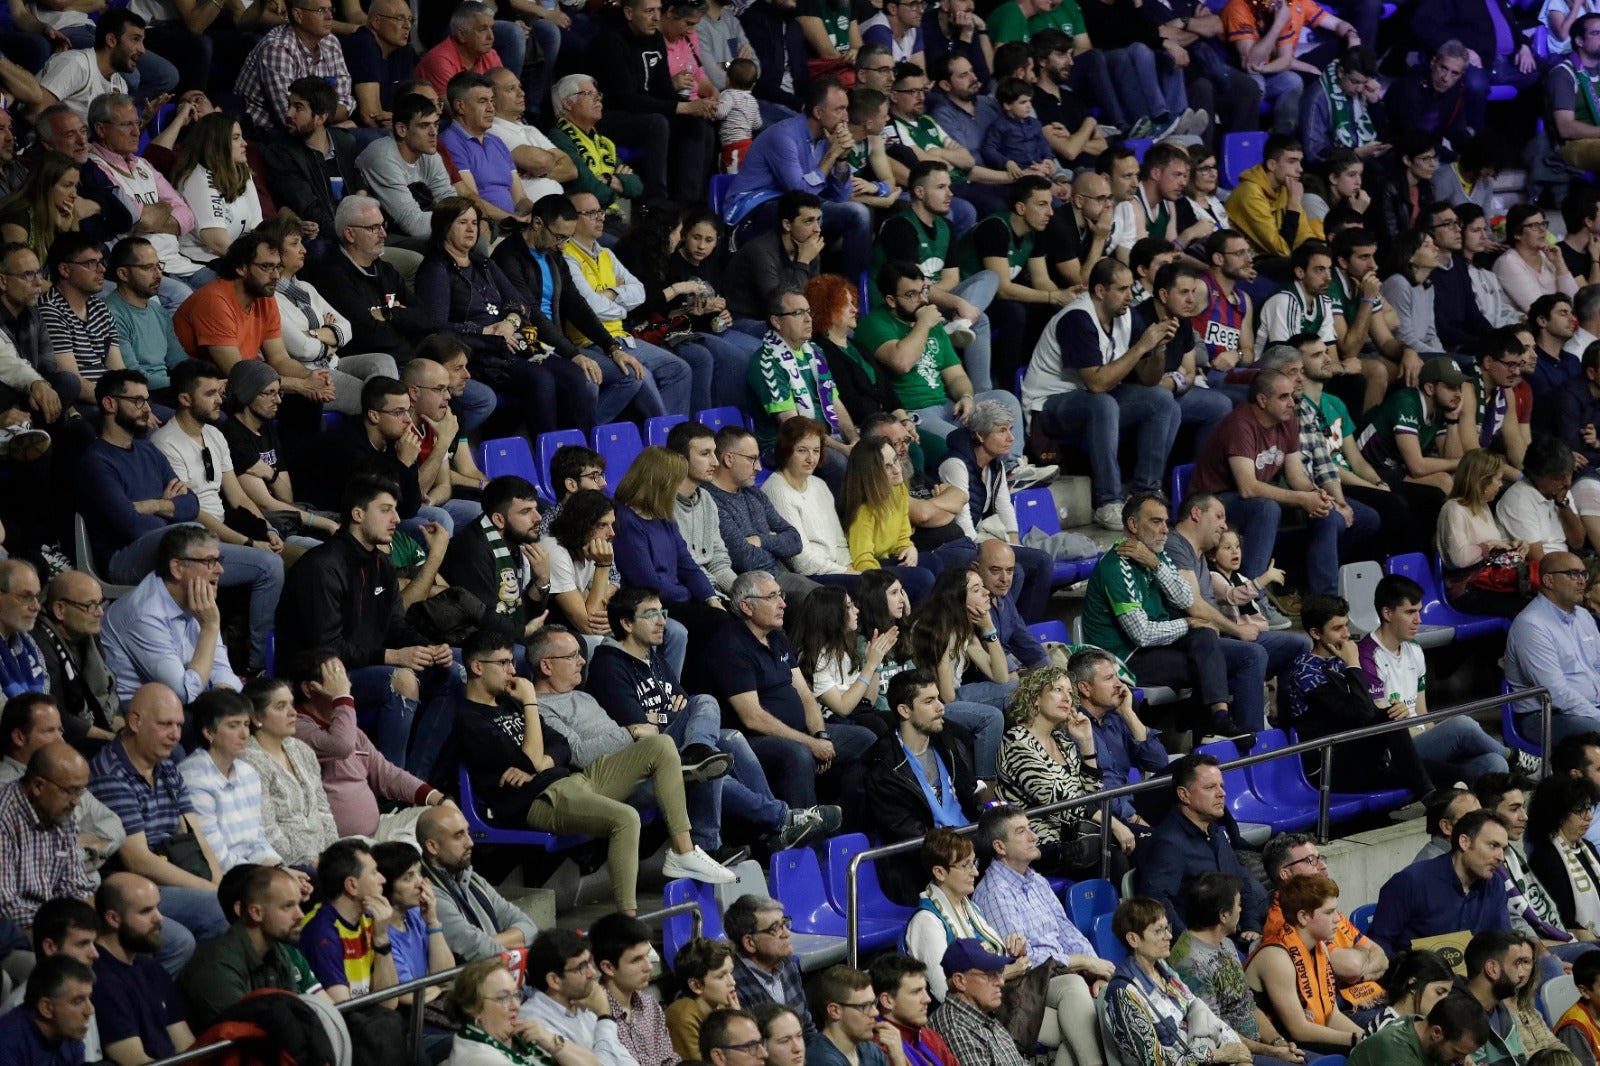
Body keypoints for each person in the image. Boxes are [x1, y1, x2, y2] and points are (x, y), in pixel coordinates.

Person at [455, 627, 734, 915]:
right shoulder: (470, 719)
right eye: (504, 663)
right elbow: (529, 760)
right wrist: (529, 704)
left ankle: (684, 851)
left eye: (513, 662)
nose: (513, 671)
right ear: (477, 667)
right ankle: (628, 924)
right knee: (625, 818)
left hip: (570, 780)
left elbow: (559, 744)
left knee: (661, 745)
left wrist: (542, 762)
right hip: (539, 801)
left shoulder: (508, 705)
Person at [588, 585, 835, 853]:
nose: (662, 621)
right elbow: (640, 729)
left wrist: (663, 717)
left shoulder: (654, 659)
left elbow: (682, 710)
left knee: (725, 743)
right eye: (651, 614)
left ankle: (760, 827)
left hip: (671, 747)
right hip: (639, 764)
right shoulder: (609, 665)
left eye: (663, 612)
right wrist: (667, 715)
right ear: (626, 623)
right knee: (706, 712)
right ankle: (776, 822)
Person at [274, 474, 454, 775]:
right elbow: (326, 651)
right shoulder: (321, 568)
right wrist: (391, 656)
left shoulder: (381, 564)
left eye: (395, 510)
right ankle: (388, 791)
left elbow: (396, 625)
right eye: (385, 510)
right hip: (315, 680)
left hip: (364, 666)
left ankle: (415, 782)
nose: (396, 519)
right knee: (402, 680)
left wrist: (428, 647)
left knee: (456, 671)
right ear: (357, 514)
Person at [1021, 258, 1180, 530]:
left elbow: (1149, 379)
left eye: (1131, 288)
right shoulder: (1077, 318)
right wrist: (1142, 347)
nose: (1130, 296)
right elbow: (1095, 383)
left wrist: (1159, 349)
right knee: (1103, 404)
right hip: (1048, 406)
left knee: (1163, 401)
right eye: (1121, 289)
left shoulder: (1125, 314)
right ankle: (1108, 502)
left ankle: (1143, 493)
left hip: (1092, 400)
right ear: (1100, 291)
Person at [1081, 493, 1244, 741]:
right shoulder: (1115, 568)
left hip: (1156, 646)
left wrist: (1155, 565)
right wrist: (1186, 623)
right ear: (1133, 525)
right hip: (1123, 657)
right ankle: (1205, 735)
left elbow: (1185, 599)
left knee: (1205, 635)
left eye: (1166, 522)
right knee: (1201, 665)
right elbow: (1142, 635)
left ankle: (1218, 719)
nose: (1165, 530)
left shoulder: (1157, 556)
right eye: (1156, 521)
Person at [715, 570, 874, 809]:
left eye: (781, 595)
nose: (783, 604)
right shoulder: (731, 646)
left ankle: (845, 822)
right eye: (772, 597)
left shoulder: (777, 638)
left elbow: (805, 695)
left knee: (865, 739)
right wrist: (810, 743)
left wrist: (820, 734)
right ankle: (802, 828)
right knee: (798, 754)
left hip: (800, 732)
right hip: (756, 740)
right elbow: (753, 718)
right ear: (747, 607)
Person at [968, 804, 1112, 1063]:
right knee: (1074, 991)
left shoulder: (1035, 880)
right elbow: (1023, 962)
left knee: (1082, 1020)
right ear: (1000, 847)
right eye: (1022, 832)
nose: (1034, 836)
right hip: (1021, 986)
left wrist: (1096, 969)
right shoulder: (994, 893)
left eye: (1030, 828)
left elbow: (1067, 931)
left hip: (1057, 975)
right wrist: (1082, 963)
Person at [857, 261, 1027, 471]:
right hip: (913, 412)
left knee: (1005, 399)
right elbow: (901, 362)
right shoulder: (875, 324)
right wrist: (923, 324)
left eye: (924, 291)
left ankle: (1012, 469)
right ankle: (988, 477)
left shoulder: (932, 323)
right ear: (891, 300)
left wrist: (966, 397)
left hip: (946, 407)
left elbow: (956, 376)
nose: (922, 300)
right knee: (961, 441)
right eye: (911, 294)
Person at [1358, 573, 1512, 784]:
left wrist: (1439, 741)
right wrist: (1439, 739)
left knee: (1495, 764)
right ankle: (1515, 757)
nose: (1418, 620)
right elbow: (1387, 728)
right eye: (1410, 612)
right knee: (1462, 726)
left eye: (1419, 611)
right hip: (1397, 751)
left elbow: (1422, 712)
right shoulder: (1367, 656)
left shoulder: (1414, 649)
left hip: (1425, 743)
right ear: (1387, 613)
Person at [1285, 595, 1436, 796]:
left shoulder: (1341, 661)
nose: (1346, 634)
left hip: (1363, 757)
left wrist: (1398, 710)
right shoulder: (1306, 671)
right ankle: (1429, 796)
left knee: (1452, 773)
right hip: (1328, 766)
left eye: (1346, 625)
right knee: (1387, 722)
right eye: (1337, 628)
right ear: (1316, 633)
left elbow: (1368, 711)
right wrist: (1354, 664)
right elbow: (1362, 714)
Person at [995, 666, 1135, 880]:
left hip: (1077, 833)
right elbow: (1065, 806)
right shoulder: (1017, 742)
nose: (1067, 698)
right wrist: (1113, 824)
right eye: (1058, 690)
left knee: (1144, 843)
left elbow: (1092, 795)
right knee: (1113, 851)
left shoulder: (1063, 742)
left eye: (1070, 693)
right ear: (1035, 698)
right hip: (1040, 842)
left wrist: (1086, 742)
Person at [723, 79, 872, 279]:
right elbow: (799, 193)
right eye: (840, 109)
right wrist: (831, 156)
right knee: (801, 213)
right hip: (753, 211)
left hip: (794, 208)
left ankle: (851, 293)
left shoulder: (828, 138)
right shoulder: (784, 136)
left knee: (858, 214)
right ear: (819, 113)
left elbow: (841, 196)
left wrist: (842, 158)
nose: (846, 117)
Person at [151, 359, 294, 562]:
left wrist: (267, 530)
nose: (219, 399)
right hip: (195, 538)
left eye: (219, 392)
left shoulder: (214, 434)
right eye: (210, 394)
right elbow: (192, 511)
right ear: (185, 399)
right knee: (271, 564)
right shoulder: (165, 444)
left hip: (228, 527)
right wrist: (247, 542)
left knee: (309, 553)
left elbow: (238, 497)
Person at [862, 670, 982, 898]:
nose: (941, 707)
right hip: (928, 862)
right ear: (904, 710)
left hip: (971, 846)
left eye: (938, 698)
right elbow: (909, 835)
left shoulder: (952, 741)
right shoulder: (883, 768)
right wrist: (965, 853)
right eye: (929, 701)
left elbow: (971, 801)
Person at [174, 865, 325, 1032]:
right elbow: (247, 1039)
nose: (300, 915)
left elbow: (293, 1017)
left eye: (298, 905)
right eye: (287, 907)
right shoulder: (216, 968)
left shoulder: (277, 951)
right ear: (255, 913)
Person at [1168, 873, 1301, 1063]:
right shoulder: (1190, 963)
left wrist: (1278, 1042)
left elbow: (1247, 1005)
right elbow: (1216, 1032)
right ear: (1224, 915)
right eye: (1238, 904)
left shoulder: (1226, 944)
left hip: (1260, 1045)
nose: (1241, 909)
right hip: (1234, 1055)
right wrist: (1271, 1052)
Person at [1102, 897, 1251, 1066]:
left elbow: (1197, 1007)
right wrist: (1218, 1055)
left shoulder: (1163, 968)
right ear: (1133, 939)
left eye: (1167, 928)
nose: (1169, 936)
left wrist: (1237, 1054)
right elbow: (1159, 1063)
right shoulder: (1124, 993)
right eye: (1159, 931)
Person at [1138, 754, 1270, 937]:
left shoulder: (1213, 830)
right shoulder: (1169, 843)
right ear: (1184, 794)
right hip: (1200, 947)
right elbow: (1156, 902)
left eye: (1221, 786)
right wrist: (1189, 946)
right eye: (1210, 787)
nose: (1221, 793)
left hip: (1230, 935)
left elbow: (1241, 881)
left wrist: (1251, 926)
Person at [1244, 874, 1367, 1054]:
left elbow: (1331, 1016)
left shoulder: (1320, 948)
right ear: (1303, 917)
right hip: (1275, 1046)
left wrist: (1367, 1037)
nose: (1337, 920)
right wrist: (1356, 1040)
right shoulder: (1276, 957)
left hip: (1301, 1039)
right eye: (1328, 912)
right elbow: (1298, 1029)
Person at [1370, 808, 1514, 955]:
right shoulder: (1411, 881)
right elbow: (1379, 943)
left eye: (1503, 849)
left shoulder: (1495, 885)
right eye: (1493, 846)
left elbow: (1502, 944)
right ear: (1464, 842)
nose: (1501, 857)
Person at [706, 425, 823, 602]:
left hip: (780, 575)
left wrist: (761, 540)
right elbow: (745, 559)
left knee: (837, 600)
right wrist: (775, 543)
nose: (759, 467)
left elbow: (795, 540)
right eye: (752, 459)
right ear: (729, 459)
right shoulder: (712, 501)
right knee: (823, 603)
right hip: (757, 588)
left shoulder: (754, 493)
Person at [177, 690, 286, 875]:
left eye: (246, 724)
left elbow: (258, 840)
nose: (244, 734)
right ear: (209, 732)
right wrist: (269, 878)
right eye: (233, 725)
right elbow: (214, 855)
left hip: (253, 872)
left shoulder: (248, 773)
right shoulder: (193, 777)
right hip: (221, 877)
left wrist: (280, 869)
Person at [414, 801, 537, 965]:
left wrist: (488, 942)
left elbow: (530, 928)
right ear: (432, 846)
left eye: (468, 832)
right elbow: (482, 951)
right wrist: (511, 943)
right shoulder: (428, 893)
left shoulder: (471, 878)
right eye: (459, 835)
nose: (470, 842)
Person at [93, 871, 196, 1065]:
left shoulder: (151, 969)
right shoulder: (101, 978)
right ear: (113, 919)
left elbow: (186, 1047)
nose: (159, 918)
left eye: (157, 907)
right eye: (145, 911)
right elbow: (134, 1061)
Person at [0, 741, 97, 929]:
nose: (77, 801)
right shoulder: (4, 819)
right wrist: (67, 925)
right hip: (17, 929)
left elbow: (76, 886)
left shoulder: (61, 814)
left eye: (81, 790)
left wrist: (87, 921)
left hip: (57, 921)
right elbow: (6, 906)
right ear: (38, 785)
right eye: (71, 791)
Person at [1507, 550, 1600, 745]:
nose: (1582, 581)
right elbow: (1555, 693)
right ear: (1549, 581)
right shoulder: (1531, 625)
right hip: (1548, 716)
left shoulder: (1584, 616)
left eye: (1584, 574)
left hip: (1590, 709)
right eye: (1573, 574)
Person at [445, 955, 598, 1066]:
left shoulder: (522, 1037)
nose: (516, 1005)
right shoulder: (479, 1058)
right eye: (503, 998)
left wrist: (551, 1041)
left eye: (516, 995)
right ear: (474, 1008)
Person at [522, 928, 645, 1066]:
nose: (592, 972)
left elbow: (626, 1061)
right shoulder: (535, 1022)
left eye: (589, 962)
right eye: (581, 967)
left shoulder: (584, 1008)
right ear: (554, 980)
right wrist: (604, 1016)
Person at [926, 939, 1030, 1066]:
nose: (1001, 982)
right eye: (990, 975)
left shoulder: (981, 1013)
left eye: (1000, 972)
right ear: (959, 981)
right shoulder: (956, 1029)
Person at [726, 895, 816, 1040]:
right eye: (775, 928)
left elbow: (806, 1028)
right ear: (750, 942)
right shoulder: (733, 984)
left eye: (784, 923)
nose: (787, 933)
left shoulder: (789, 964)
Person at [1526, 774, 1600, 940]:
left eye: (1589, 809)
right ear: (1558, 814)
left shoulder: (1588, 847)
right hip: (1574, 941)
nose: (1589, 816)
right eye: (1580, 810)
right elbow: (1564, 920)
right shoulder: (1545, 858)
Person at [1227, 136, 1324, 261]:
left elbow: (1303, 235)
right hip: (1248, 262)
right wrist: (1293, 204)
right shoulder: (1250, 193)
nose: (1300, 169)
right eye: (1292, 161)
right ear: (1272, 164)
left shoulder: (1285, 187)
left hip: (1275, 258)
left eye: (1300, 161)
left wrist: (1318, 253)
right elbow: (1280, 250)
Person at [0, 954, 96, 1066]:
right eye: (78, 1001)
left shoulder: (70, 1034)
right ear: (46, 1008)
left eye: (89, 998)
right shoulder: (6, 1044)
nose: (90, 1010)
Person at [806, 965, 909, 1066]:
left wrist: (898, 1058)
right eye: (865, 1006)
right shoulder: (820, 1060)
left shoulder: (871, 1051)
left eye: (874, 1003)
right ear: (835, 1011)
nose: (875, 1012)